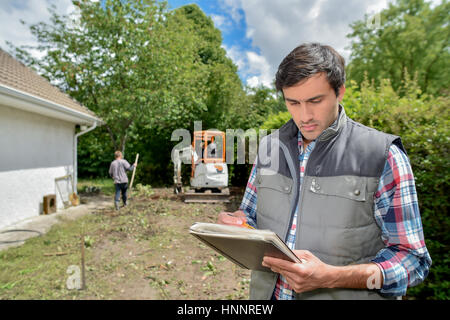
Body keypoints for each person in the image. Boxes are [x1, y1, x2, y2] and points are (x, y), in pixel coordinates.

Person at [218, 43, 431, 300]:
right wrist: (240, 225)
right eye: (293, 102)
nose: (304, 115)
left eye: (315, 101)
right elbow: (252, 218)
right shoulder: (269, 149)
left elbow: (412, 260)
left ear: (339, 91)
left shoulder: (383, 155)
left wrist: (332, 276)